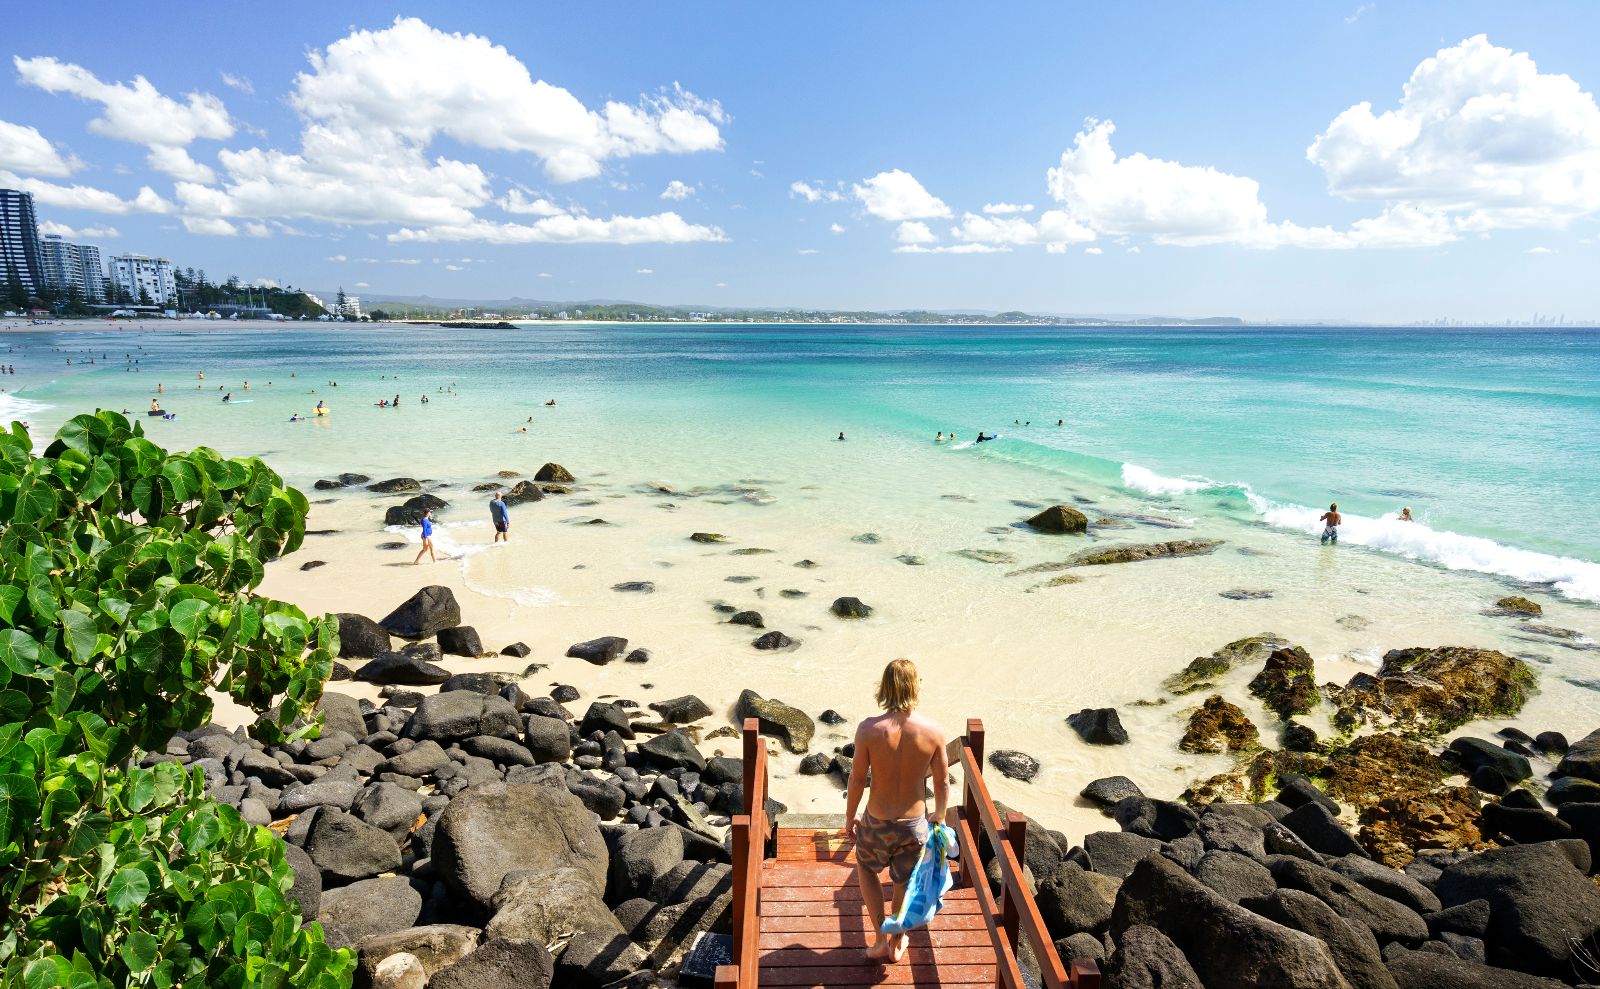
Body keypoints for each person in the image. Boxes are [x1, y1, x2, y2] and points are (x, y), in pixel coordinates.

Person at [844, 659, 948, 964]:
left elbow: (857, 779)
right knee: (903, 881)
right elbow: (942, 781)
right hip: (914, 824)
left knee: (866, 869)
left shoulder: (868, 729)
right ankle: (897, 940)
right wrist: (939, 815)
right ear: (916, 686)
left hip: (876, 820)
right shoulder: (933, 731)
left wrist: (850, 816)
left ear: (885, 686)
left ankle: (879, 938)